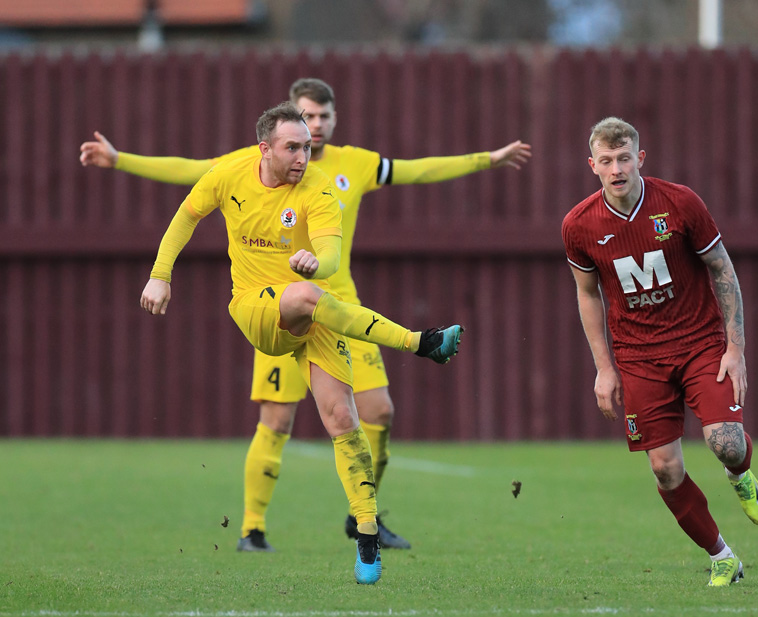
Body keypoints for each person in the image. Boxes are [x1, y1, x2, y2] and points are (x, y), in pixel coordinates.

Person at [80, 78, 531, 552]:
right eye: (306, 118)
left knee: (376, 413)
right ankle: (252, 527)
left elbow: (419, 171)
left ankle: (364, 518)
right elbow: (190, 175)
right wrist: (121, 160)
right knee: (277, 419)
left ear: (334, 120)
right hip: (277, 304)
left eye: (322, 118)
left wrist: (488, 159)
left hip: (343, 307)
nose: (314, 128)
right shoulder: (245, 167)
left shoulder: (350, 166)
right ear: (279, 132)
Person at [141, 101, 464, 584]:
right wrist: (160, 276)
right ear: (264, 148)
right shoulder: (228, 174)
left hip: (312, 309)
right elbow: (185, 217)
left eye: (308, 148)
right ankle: (419, 342)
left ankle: (368, 536)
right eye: (292, 147)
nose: (302, 156)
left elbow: (331, 251)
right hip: (256, 309)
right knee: (281, 393)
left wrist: (321, 264)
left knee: (343, 418)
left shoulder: (317, 190)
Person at [561, 117, 758, 587]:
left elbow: (722, 269)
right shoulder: (578, 225)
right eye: (607, 160)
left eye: (625, 158)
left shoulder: (679, 203)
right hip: (638, 358)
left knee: (726, 442)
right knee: (665, 468)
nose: (617, 168)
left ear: (641, 158)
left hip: (699, 343)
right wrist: (603, 369)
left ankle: (741, 475)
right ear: (592, 165)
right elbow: (588, 294)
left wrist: (735, 348)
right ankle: (722, 556)